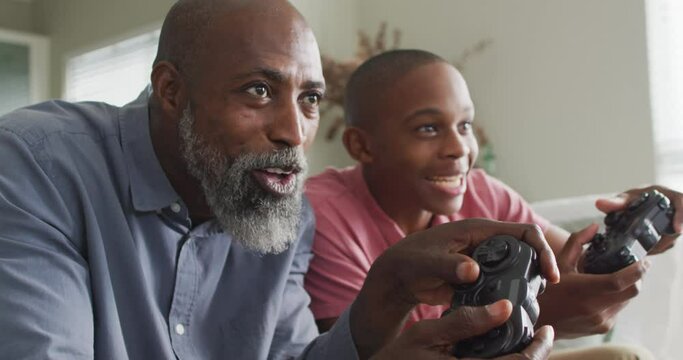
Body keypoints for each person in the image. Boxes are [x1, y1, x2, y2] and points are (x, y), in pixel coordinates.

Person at [0, 1, 558, 359]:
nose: (293, 132)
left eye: (310, 99)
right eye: (259, 91)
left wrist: (384, 294)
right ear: (172, 91)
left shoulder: (281, 210)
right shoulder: (35, 166)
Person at [304, 49, 681, 358]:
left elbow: (576, 263)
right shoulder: (325, 214)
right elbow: (366, 354)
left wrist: (636, 232)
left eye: (465, 125)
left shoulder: (483, 193)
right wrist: (539, 314)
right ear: (361, 145)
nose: (459, 149)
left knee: (626, 357)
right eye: (428, 128)